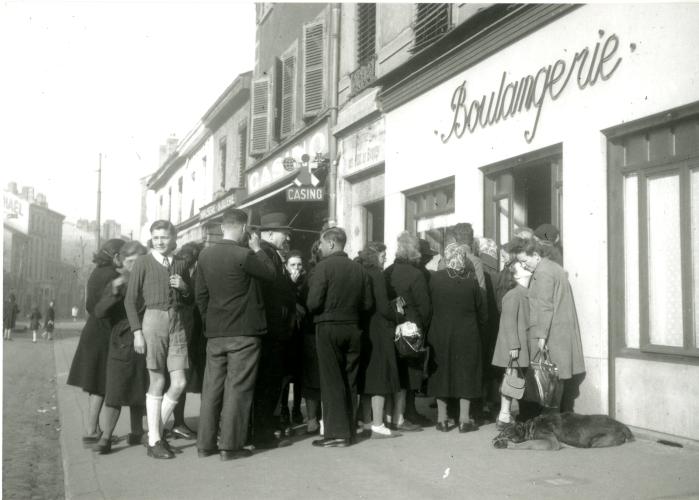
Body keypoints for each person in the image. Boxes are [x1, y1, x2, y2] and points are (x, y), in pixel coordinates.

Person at [196, 208, 275, 460]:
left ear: (221, 227)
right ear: (243, 229)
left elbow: (200, 295)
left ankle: (205, 444)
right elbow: (270, 273)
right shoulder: (244, 255)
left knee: (212, 388)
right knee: (237, 389)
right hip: (243, 333)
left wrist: (210, 320)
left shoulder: (205, 255)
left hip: (215, 332)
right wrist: (258, 248)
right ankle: (230, 446)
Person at [125, 220, 193, 459]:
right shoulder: (143, 263)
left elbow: (190, 299)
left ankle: (154, 435)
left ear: (173, 237)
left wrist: (185, 287)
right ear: (151, 239)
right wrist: (137, 333)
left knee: (180, 382)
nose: (161, 241)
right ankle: (155, 440)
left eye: (164, 237)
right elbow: (130, 300)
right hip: (153, 322)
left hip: (177, 323)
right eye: (156, 238)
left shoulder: (181, 264)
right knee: (157, 381)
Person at [307, 227, 373, 448]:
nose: (321, 247)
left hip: (328, 327)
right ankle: (350, 430)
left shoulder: (322, 268)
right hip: (353, 327)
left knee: (331, 380)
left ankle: (336, 434)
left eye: (322, 243)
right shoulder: (359, 269)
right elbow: (367, 304)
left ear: (332, 244)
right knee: (350, 380)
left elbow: (313, 303)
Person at [91, 240, 150, 454]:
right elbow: (98, 312)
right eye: (130, 261)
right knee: (116, 390)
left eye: (139, 261)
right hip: (122, 341)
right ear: (123, 261)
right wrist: (114, 293)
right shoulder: (119, 282)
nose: (134, 265)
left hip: (146, 338)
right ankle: (106, 437)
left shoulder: (148, 279)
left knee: (140, 387)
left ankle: (137, 432)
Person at [515, 238, 585, 413]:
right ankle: (557, 418)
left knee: (549, 380)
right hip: (560, 331)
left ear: (536, 256)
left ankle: (550, 421)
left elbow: (545, 306)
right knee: (556, 378)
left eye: (525, 261)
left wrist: (541, 336)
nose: (523, 266)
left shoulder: (543, 272)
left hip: (552, 333)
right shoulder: (553, 268)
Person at [67, 238, 126, 446]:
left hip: (93, 329)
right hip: (104, 331)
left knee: (96, 383)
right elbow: (109, 306)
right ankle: (91, 431)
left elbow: (90, 304)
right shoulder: (113, 275)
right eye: (124, 256)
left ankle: (93, 428)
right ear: (117, 256)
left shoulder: (96, 272)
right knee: (101, 383)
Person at [427, 244, 487, 433]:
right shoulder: (471, 282)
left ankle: (442, 420)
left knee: (441, 374)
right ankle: (464, 420)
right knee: (465, 374)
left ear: (445, 258)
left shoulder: (434, 279)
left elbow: (428, 308)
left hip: (439, 334)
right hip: (467, 335)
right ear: (462, 260)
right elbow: (483, 314)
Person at [252, 212, 296, 449]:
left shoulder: (272, 254)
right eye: (283, 232)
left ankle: (265, 429)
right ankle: (263, 433)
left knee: (269, 384)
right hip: (271, 330)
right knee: (267, 384)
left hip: (273, 328)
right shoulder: (267, 254)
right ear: (268, 234)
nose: (287, 236)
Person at [384, 231, 431, 432]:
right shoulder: (417, 275)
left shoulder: (388, 272)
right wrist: (424, 329)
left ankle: (396, 413)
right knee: (412, 372)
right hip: (413, 329)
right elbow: (426, 307)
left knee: (398, 371)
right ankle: (408, 413)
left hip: (393, 326)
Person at [357, 242, 401, 439]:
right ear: (376, 255)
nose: (386, 257)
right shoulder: (378, 274)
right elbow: (383, 307)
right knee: (380, 377)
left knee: (367, 378)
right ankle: (378, 423)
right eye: (384, 254)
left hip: (364, 328)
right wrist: (397, 313)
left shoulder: (360, 270)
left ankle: (366, 421)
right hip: (379, 330)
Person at [491, 241, 533, 430]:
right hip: (513, 346)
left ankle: (506, 415)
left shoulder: (522, 293)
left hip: (516, 345)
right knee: (511, 380)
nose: (526, 268)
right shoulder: (514, 295)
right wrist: (514, 346)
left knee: (512, 380)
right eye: (521, 267)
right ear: (515, 274)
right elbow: (508, 323)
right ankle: (504, 415)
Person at [165, 242, 205, 441]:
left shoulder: (192, 270)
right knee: (180, 377)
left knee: (189, 377)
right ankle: (178, 422)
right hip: (185, 329)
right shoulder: (179, 271)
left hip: (195, 331)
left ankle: (180, 422)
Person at [280, 250, 306, 428]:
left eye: (299, 265)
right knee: (284, 375)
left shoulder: (305, 282)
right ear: (286, 266)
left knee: (299, 376)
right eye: (292, 265)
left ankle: (296, 409)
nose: (296, 268)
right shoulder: (283, 282)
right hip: (286, 333)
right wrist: (291, 284)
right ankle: (283, 409)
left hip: (300, 333)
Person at [299, 241, 323, 434]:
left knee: (311, 377)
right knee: (317, 375)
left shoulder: (309, 275)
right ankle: (315, 418)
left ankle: (313, 418)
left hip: (310, 330)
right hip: (314, 331)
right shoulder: (316, 274)